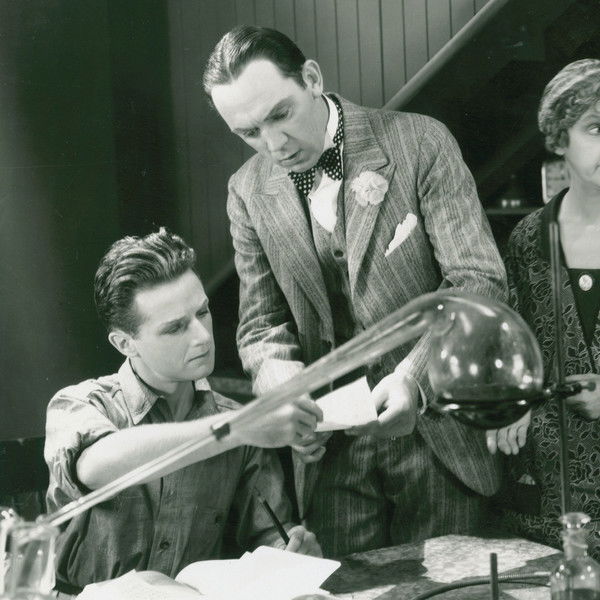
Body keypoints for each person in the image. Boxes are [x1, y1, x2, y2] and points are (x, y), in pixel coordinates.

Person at [203, 26, 508, 557]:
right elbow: (261, 325)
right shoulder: (246, 191)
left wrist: (413, 380)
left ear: (312, 78)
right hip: (331, 463)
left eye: (280, 114)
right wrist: (285, 392)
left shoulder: (420, 142)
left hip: (442, 441)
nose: (274, 145)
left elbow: (479, 282)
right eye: (248, 132)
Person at [44, 228, 322, 595]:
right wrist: (237, 428)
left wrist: (291, 554)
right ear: (125, 343)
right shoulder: (79, 404)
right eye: (175, 328)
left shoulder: (237, 424)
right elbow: (97, 467)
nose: (203, 337)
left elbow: (268, 534)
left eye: (202, 312)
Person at [486, 59, 600, 559]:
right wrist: (513, 401)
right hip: (550, 497)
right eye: (595, 128)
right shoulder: (530, 238)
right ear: (559, 138)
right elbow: (511, 346)